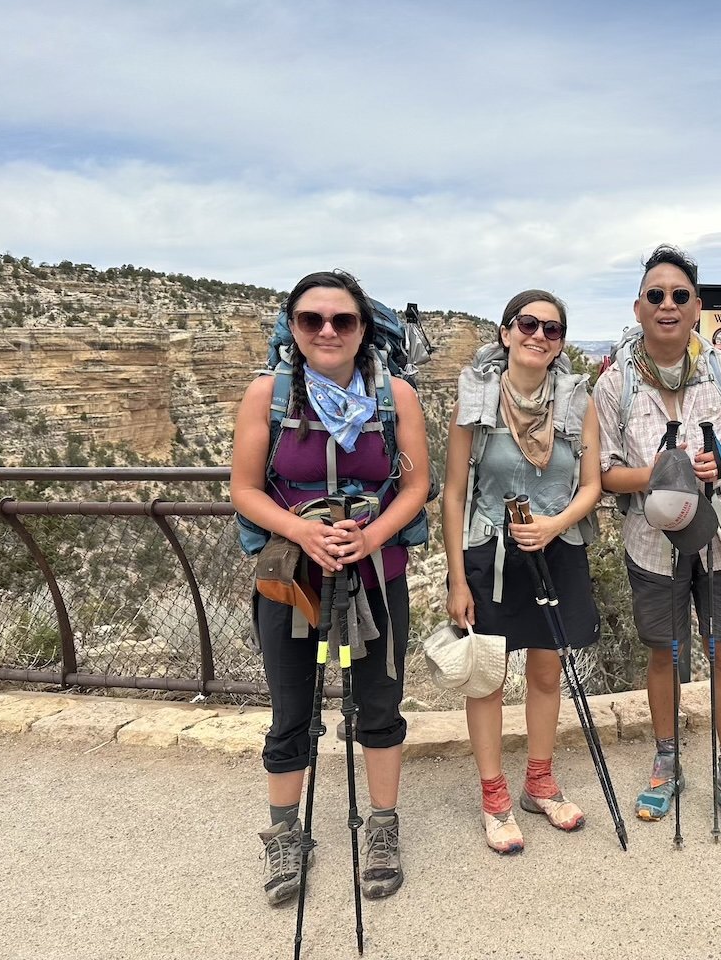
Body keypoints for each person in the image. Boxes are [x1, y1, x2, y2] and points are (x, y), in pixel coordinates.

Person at [231, 270, 429, 904]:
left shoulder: (396, 395)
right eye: (312, 319)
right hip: (292, 577)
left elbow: (416, 486)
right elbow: (243, 489)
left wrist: (369, 538)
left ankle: (382, 826)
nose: (327, 331)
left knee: (377, 703)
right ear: (292, 328)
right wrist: (303, 531)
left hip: (375, 573)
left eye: (342, 320)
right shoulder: (269, 395)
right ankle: (286, 834)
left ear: (362, 329)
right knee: (292, 708)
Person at [595, 244, 721, 840]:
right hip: (651, 543)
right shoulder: (615, 384)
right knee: (664, 653)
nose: (667, 305)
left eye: (678, 296)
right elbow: (602, 473)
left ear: (697, 307)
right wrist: (661, 477)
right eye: (655, 296)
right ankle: (667, 760)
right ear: (639, 307)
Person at [443, 289, 602, 854]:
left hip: (556, 548)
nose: (539, 336)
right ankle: (494, 797)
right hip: (491, 553)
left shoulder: (578, 402)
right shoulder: (476, 399)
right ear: (507, 332)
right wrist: (457, 579)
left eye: (552, 330)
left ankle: (539, 781)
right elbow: (455, 492)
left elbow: (591, 486)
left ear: (561, 344)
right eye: (527, 325)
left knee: (544, 672)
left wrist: (555, 524)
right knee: (486, 678)